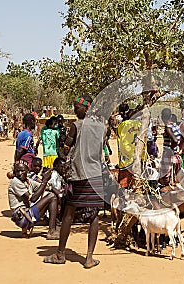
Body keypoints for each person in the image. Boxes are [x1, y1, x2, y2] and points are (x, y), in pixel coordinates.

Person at [44, 94, 105, 269]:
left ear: (86, 108)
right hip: (95, 175)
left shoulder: (76, 126)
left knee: (69, 212)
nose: (74, 109)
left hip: (79, 174)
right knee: (94, 216)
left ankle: (60, 254)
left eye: (77, 106)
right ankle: (89, 258)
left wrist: (63, 153)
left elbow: (66, 148)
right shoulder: (101, 127)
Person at [8, 163, 60, 239]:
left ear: (27, 171)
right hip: (22, 217)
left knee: (52, 195)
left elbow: (45, 187)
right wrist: (44, 181)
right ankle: (51, 231)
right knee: (52, 197)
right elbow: (33, 198)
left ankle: (52, 228)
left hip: (27, 215)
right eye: (17, 171)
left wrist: (59, 193)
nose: (19, 173)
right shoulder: (15, 182)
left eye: (22, 171)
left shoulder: (28, 181)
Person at [159, 108, 182, 186]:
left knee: (165, 180)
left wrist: (171, 150)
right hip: (176, 156)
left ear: (163, 117)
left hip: (168, 156)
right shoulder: (176, 126)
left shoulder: (168, 127)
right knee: (174, 180)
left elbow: (175, 140)